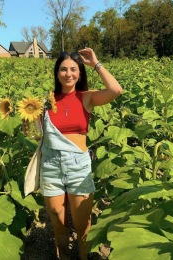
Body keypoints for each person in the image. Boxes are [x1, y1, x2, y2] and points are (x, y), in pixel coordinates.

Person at [40, 48, 123, 260]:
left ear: (80, 73)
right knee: (58, 223)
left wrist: (95, 63)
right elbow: (39, 137)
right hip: (51, 166)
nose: (68, 74)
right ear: (57, 73)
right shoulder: (47, 102)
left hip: (78, 167)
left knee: (82, 224)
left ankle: (83, 257)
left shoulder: (86, 97)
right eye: (63, 69)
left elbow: (115, 90)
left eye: (73, 69)